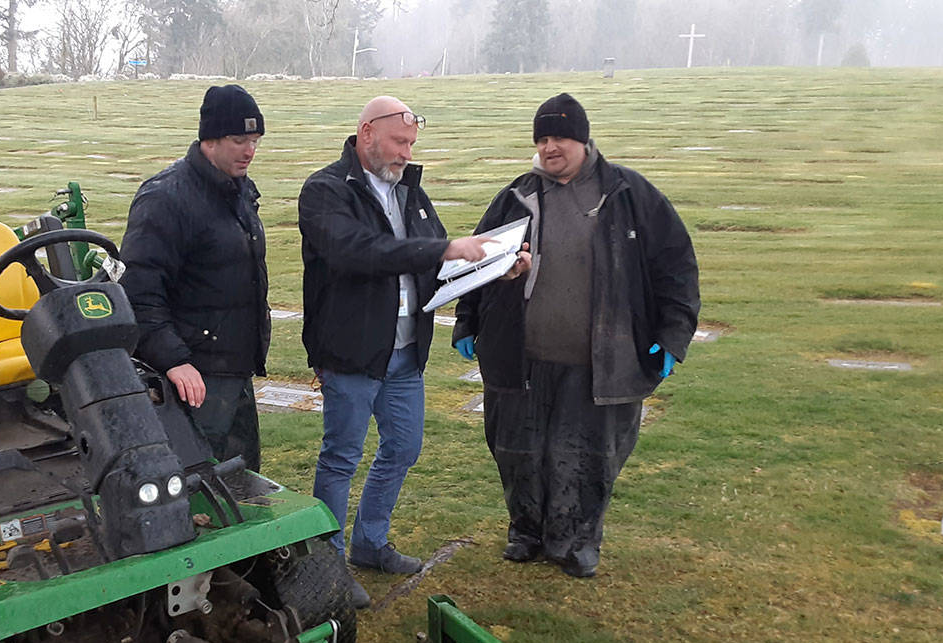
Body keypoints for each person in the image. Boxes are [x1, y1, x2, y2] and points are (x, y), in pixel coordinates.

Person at [451, 93, 699, 578]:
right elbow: (477, 262)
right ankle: (526, 531)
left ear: (584, 139)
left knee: (586, 456)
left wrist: (672, 338)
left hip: (600, 362)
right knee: (516, 450)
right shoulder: (517, 195)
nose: (550, 147)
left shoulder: (630, 194)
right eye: (542, 138)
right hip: (521, 359)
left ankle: (578, 542)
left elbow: (677, 269)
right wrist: (468, 320)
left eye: (560, 136)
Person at [298, 95, 491, 607]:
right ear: (366, 134)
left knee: (403, 447)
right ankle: (329, 564)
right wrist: (442, 250)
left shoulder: (412, 194)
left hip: (405, 354)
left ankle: (370, 543)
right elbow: (357, 252)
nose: (407, 153)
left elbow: (436, 260)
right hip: (352, 352)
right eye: (399, 142)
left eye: (411, 144)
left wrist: (490, 269)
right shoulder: (325, 190)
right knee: (341, 457)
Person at [120, 84, 270, 471]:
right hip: (195, 374)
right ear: (210, 139)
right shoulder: (165, 199)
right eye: (239, 140)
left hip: (235, 366)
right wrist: (173, 360)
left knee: (242, 480)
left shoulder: (238, 190)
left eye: (254, 140)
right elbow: (139, 290)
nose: (249, 150)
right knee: (194, 482)